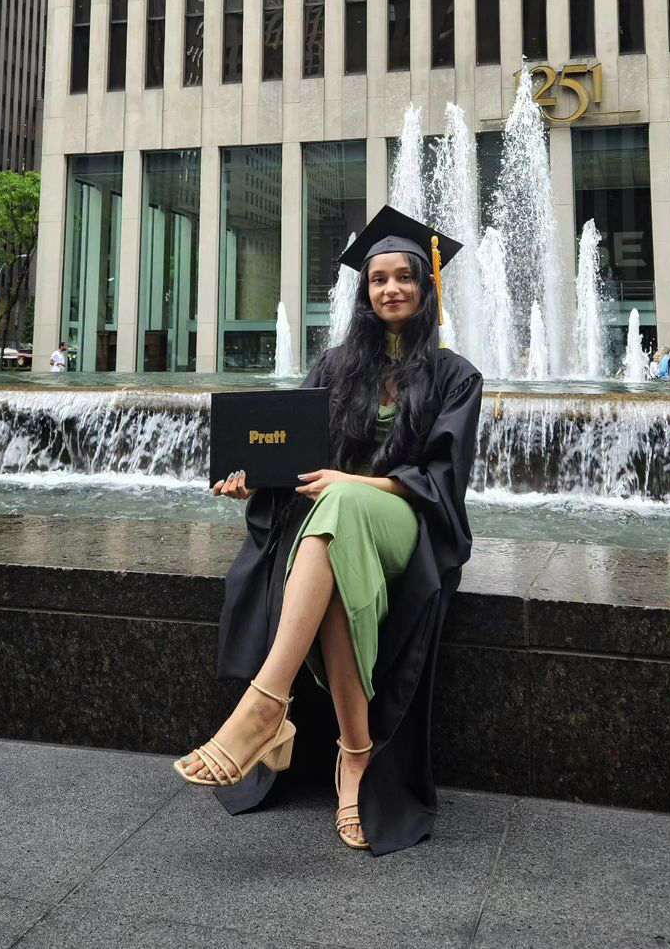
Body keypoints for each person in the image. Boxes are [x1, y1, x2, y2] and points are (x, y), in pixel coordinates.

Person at [175, 206, 483, 856]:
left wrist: (353, 485)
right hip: (335, 531)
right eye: (378, 279)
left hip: (407, 522)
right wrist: (253, 481)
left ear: (425, 289)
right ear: (365, 292)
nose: (391, 288)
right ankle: (355, 757)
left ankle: (265, 704)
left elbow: (441, 479)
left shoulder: (456, 375)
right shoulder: (337, 366)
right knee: (333, 549)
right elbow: (293, 456)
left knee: (338, 513)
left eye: (405, 277)